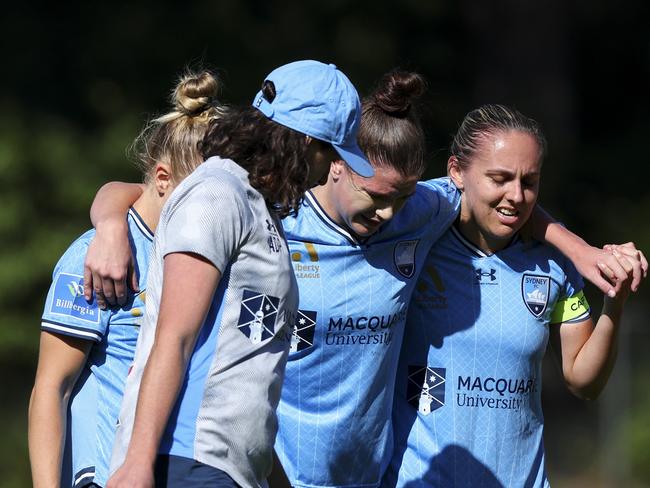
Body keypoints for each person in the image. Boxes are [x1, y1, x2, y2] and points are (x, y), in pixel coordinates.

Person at [85, 72, 644, 488]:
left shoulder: (419, 213)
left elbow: (505, 201)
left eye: (400, 198)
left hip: (355, 475)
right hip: (243, 465)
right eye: (376, 196)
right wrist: (110, 223)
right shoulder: (269, 208)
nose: (388, 212)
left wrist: (581, 251)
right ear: (331, 160)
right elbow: (158, 202)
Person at [104, 60, 371, 488]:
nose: (327, 173)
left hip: (223, 469)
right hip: (183, 459)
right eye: (332, 153)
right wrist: (137, 461)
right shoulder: (216, 194)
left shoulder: (256, 205)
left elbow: (249, 367)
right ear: (304, 141)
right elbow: (175, 337)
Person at [385, 104, 646, 487]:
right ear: (456, 172)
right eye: (500, 178)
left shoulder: (553, 265)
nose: (517, 196)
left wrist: (614, 303)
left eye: (529, 181)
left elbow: (583, 381)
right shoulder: (417, 237)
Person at [28, 69, 225, 488]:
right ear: (162, 178)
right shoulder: (94, 257)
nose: (215, 208)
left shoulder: (213, 250)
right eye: (202, 194)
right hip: (105, 474)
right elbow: (52, 388)